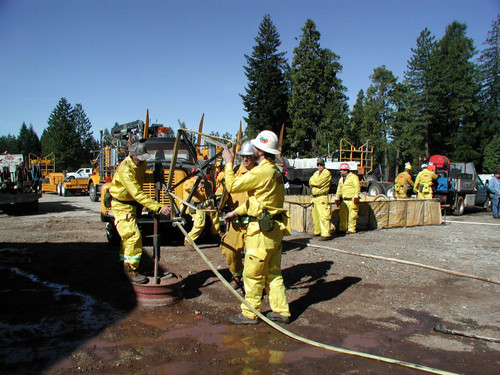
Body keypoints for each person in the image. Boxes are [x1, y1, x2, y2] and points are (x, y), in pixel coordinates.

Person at [222, 130, 291, 325]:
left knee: (252, 273)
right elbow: (260, 201)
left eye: (254, 147)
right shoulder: (275, 171)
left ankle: (249, 314)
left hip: (260, 232)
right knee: (273, 273)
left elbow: (233, 186)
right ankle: (281, 311)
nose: (251, 149)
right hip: (274, 230)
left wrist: (228, 162)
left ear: (260, 152)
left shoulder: (262, 171)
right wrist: (237, 212)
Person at [109, 139, 171, 284]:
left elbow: (141, 179)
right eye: (140, 159)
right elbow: (137, 193)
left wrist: (154, 177)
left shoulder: (140, 164)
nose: (142, 162)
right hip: (121, 207)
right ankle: (129, 269)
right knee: (133, 237)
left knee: (128, 240)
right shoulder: (125, 169)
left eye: (144, 158)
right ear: (132, 156)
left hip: (132, 207)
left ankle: (125, 265)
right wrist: (160, 207)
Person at [220, 141, 256, 289]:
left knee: (253, 257)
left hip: (253, 223)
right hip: (235, 222)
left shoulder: (258, 174)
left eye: (249, 156)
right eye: (243, 156)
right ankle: (237, 275)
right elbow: (223, 190)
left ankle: (252, 284)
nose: (245, 159)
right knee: (229, 250)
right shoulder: (233, 171)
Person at [183, 174, 220, 249]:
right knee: (200, 222)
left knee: (214, 212)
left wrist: (209, 204)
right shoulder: (188, 182)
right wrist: (196, 184)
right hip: (193, 206)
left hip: (203, 204)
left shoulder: (206, 183)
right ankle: (188, 240)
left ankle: (216, 233)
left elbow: (207, 195)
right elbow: (187, 188)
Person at [309, 158, 332, 240]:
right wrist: (314, 182)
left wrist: (314, 182)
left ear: (324, 165)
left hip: (322, 197)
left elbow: (318, 183)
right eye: (318, 165)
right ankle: (317, 231)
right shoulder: (316, 173)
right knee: (315, 216)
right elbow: (310, 182)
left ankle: (325, 233)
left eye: (321, 164)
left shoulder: (327, 173)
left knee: (324, 216)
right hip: (315, 197)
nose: (319, 166)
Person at [334, 163, 360, 234]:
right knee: (342, 215)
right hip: (344, 200)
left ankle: (351, 229)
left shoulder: (353, 177)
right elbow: (339, 189)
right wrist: (337, 197)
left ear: (346, 170)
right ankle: (343, 228)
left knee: (352, 215)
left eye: (342, 170)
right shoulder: (341, 179)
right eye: (340, 170)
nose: (341, 171)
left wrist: (356, 196)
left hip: (352, 200)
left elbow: (357, 187)